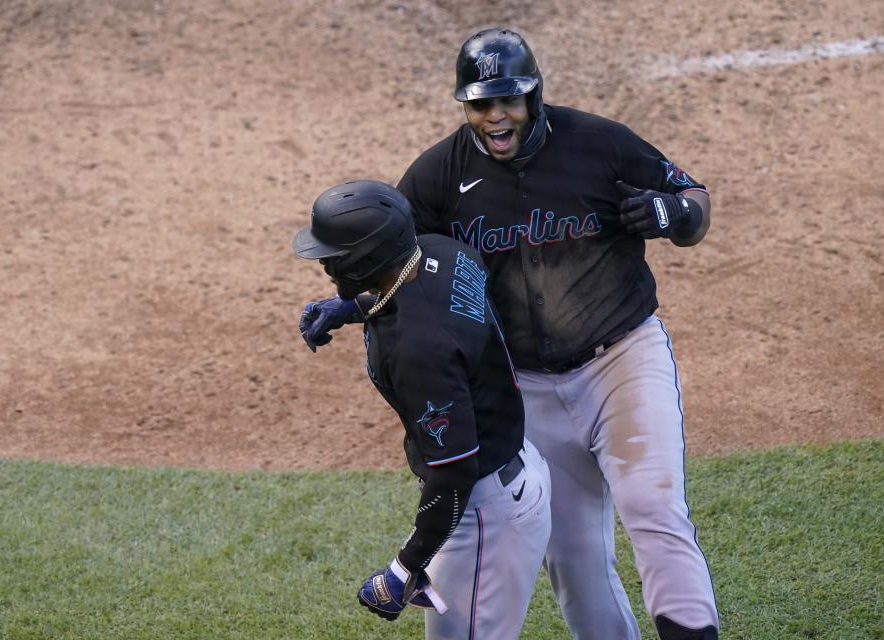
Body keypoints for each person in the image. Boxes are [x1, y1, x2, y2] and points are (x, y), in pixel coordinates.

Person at [300, 28, 719, 640]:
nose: (496, 115)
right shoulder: (440, 174)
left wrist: (674, 214)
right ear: (464, 106)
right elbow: (395, 258)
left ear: (534, 95)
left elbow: (694, 198)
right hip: (526, 386)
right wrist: (355, 305)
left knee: (654, 509)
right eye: (479, 103)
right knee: (574, 560)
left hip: (621, 359)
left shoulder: (599, 144)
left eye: (508, 100)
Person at [293, 179, 552, 640]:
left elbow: (454, 474)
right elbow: (425, 300)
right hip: (511, 468)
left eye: (333, 256)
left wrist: (403, 568)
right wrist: (352, 307)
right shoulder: (441, 253)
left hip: (484, 512)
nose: (325, 265)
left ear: (364, 259)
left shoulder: (419, 352)